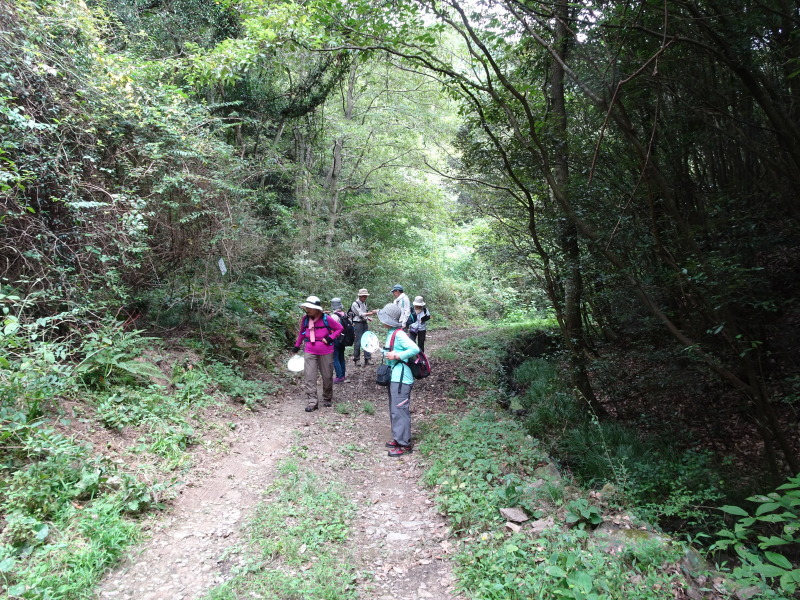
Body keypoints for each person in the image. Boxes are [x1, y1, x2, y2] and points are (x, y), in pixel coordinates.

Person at [377, 302, 419, 457]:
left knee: (400, 410)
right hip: (394, 377)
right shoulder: (391, 333)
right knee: (395, 409)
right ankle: (398, 437)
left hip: (402, 378)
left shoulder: (399, 334)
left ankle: (404, 444)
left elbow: (415, 349)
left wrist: (397, 356)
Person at [292, 295, 343, 412]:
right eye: (307, 308)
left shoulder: (327, 318)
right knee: (309, 376)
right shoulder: (305, 319)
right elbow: (301, 333)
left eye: (310, 308)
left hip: (326, 351)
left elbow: (339, 328)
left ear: (317, 309)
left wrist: (330, 338)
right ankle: (312, 402)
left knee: (327, 376)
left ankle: (327, 397)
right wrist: (296, 346)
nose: (307, 310)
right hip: (309, 350)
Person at [350, 288, 376, 367]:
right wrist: (371, 313)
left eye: (366, 296)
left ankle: (367, 358)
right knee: (358, 341)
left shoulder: (364, 303)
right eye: (363, 296)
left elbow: (364, 314)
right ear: (360, 296)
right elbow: (360, 314)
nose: (365, 298)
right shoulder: (355, 304)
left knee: (367, 340)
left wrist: (368, 318)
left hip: (364, 323)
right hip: (357, 323)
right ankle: (356, 359)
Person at [330, 297, 348, 383]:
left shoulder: (333, 316)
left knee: (335, 358)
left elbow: (330, 327)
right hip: (343, 338)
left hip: (336, 338)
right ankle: (343, 375)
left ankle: (339, 376)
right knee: (341, 357)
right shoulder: (344, 314)